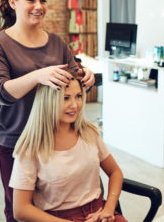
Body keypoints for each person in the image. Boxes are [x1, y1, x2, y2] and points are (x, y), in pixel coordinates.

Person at [0, 0, 95, 222]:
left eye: (43, 0)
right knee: (20, 208)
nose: (39, 7)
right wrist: (37, 76)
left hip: (55, 134)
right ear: (13, 2)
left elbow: (72, 77)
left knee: (53, 204)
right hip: (16, 138)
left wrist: (86, 76)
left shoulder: (57, 42)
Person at [10, 70, 126, 222]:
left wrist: (108, 209)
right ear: (48, 101)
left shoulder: (89, 133)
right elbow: (20, 210)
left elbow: (115, 172)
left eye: (78, 96)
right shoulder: (30, 149)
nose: (75, 105)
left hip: (99, 212)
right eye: (65, 98)